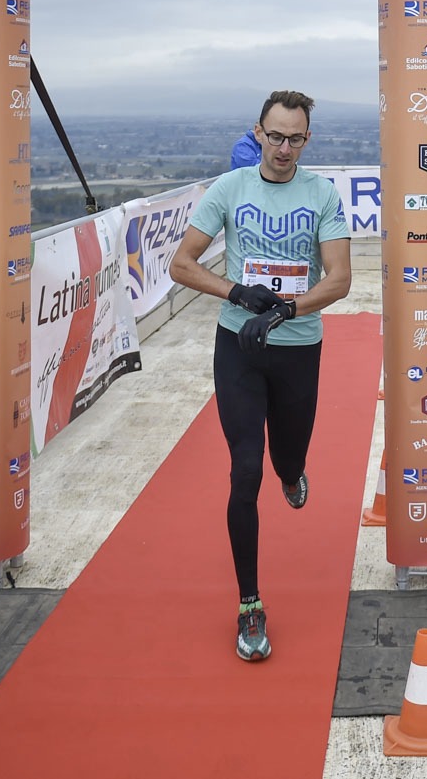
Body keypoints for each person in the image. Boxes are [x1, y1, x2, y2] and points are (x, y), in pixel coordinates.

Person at [169, 89, 352, 661]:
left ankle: (292, 473)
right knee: (245, 470)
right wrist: (238, 294)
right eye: (275, 136)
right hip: (239, 347)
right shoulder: (229, 189)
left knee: (285, 460)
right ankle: (250, 603)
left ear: (307, 139)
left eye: (295, 139)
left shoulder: (321, 193)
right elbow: (182, 264)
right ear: (258, 133)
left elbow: (340, 279)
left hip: (297, 347)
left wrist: (284, 311)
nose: (283, 148)